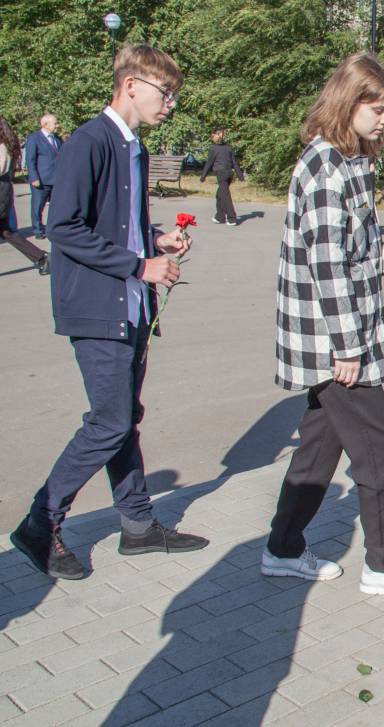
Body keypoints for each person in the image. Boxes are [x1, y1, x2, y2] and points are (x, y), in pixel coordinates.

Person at [10, 45, 208, 580]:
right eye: (165, 93)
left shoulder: (132, 147)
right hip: (96, 306)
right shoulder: (89, 142)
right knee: (109, 421)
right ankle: (39, 523)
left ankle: (138, 525)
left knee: (124, 419)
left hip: (128, 306)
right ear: (130, 86)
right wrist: (139, 266)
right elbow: (63, 228)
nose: (170, 103)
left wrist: (155, 241)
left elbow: (115, 225)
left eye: (173, 95)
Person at [264, 52, 384, 598]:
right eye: (378, 107)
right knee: (382, 450)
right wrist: (346, 347)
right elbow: (326, 267)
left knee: (320, 446)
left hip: (339, 331)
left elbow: (348, 251)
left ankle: (283, 548)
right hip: (333, 338)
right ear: (349, 102)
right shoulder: (324, 167)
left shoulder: (347, 162)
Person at [0, 116, 49, 274]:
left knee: (6, 231)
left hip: (1, 189)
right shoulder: (8, 144)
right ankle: (41, 257)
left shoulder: (2, 146)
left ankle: (42, 258)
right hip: (4, 189)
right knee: (6, 232)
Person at [24, 112, 62, 239]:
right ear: (45, 124)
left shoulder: (57, 139)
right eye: (55, 123)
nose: (58, 125)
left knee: (56, 207)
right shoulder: (34, 138)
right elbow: (30, 160)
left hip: (56, 180)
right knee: (37, 206)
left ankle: (52, 228)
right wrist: (34, 177)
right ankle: (38, 229)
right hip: (41, 179)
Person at [200, 128, 245, 226]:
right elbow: (234, 163)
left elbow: (209, 163)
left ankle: (232, 218)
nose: (212, 138)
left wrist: (203, 176)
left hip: (222, 174)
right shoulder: (228, 147)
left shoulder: (214, 148)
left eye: (213, 136)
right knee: (219, 195)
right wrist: (240, 175)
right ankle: (219, 217)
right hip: (229, 174)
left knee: (225, 196)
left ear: (217, 136)